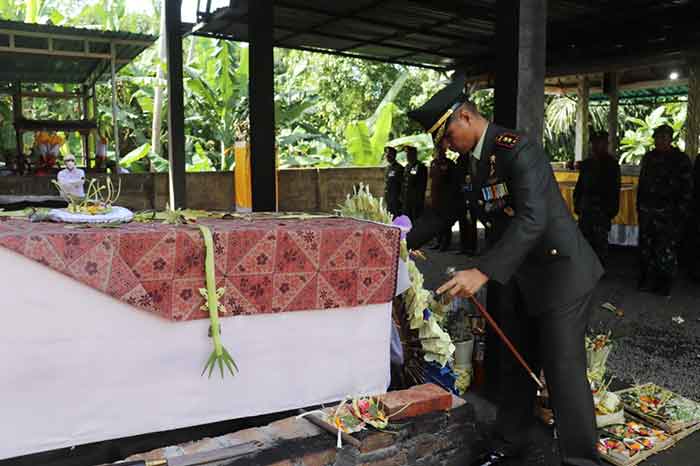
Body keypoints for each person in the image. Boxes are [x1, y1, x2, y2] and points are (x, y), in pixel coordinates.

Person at [407, 79, 603, 466]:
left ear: (465, 116)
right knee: (515, 364)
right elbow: (442, 215)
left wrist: (482, 271)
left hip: (559, 274)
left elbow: (533, 218)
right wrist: (394, 238)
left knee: (564, 375)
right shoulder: (469, 166)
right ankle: (508, 441)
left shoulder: (518, 150)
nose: (446, 145)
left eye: (448, 135)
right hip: (517, 277)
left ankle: (582, 460)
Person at [636, 124, 693, 297]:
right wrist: (640, 207)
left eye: (663, 138)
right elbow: (643, 184)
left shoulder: (681, 159)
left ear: (670, 139)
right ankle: (647, 279)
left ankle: (664, 283)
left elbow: (687, 190)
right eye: (657, 138)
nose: (659, 141)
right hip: (648, 212)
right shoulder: (649, 157)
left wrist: (680, 214)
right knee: (647, 247)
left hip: (669, 214)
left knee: (666, 249)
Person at [573, 131, 621, 268]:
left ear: (606, 145)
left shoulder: (611, 165)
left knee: (600, 243)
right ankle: (586, 270)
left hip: (602, 210)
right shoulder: (587, 164)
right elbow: (580, 186)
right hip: (586, 209)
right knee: (584, 241)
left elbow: (614, 190)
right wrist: (577, 205)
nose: (596, 146)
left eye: (600, 143)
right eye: (594, 143)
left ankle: (598, 269)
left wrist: (611, 211)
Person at [429, 147, 456, 250]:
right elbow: (431, 179)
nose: (438, 153)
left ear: (444, 152)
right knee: (437, 220)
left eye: (440, 151)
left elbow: (453, 181)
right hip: (435, 197)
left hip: (446, 198)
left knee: (446, 221)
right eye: (437, 151)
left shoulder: (450, 164)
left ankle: (446, 243)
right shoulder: (433, 163)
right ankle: (438, 241)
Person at [454, 150, 479, 255]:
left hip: (470, 195)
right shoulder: (459, 160)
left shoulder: (472, 160)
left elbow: (471, 179)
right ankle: (463, 246)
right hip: (461, 195)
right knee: (463, 221)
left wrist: (466, 190)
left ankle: (471, 247)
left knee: (471, 222)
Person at [401, 146, 427, 222]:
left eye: (409, 154)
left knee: (416, 221)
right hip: (407, 200)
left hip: (416, 201)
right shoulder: (407, 167)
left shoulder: (420, 167)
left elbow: (422, 186)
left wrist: (418, 199)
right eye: (407, 154)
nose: (407, 156)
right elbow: (404, 182)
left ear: (414, 154)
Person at [383, 146, 403, 218]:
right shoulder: (388, 167)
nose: (387, 155)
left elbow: (402, 184)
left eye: (389, 153)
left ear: (394, 155)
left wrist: (400, 197)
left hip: (396, 198)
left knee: (396, 217)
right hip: (389, 197)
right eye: (386, 153)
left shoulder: (399, 168)